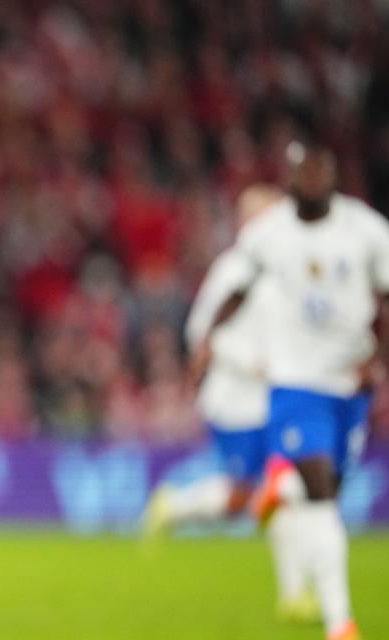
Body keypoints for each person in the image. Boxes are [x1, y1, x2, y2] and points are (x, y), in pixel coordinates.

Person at [198, 142, 389, 640]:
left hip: (350, 381)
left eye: (317, 170)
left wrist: (379, 361)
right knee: (323, 493)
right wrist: (209, 339)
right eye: (300, 171)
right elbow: (236, 289)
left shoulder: (368, 230)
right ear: (288, 176)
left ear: (333, 173)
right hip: (295, 382)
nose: (309, 179)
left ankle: (279, 489)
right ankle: (340, 623)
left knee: (322, 491)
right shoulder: (268, 233)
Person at [143, 183, 320, 620]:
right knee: (249, 496)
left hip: (275, 399)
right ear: (249, 223)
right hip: (234, 401)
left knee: (279, 487)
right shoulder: (232, 271)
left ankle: (294, 594)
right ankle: (176, 506)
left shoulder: (285, 270)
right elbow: (201, 335)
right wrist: (253, 364)